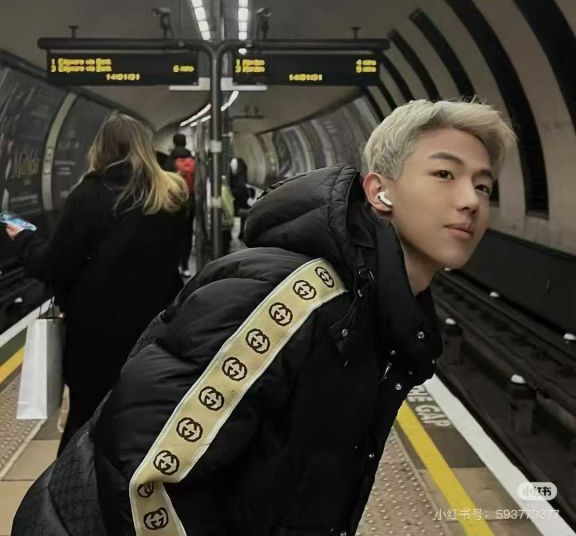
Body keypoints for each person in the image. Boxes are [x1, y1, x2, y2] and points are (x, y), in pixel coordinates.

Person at [13, 99, 516, 535]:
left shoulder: (373, 313)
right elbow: (144, 482)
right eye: (445, 174)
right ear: (380, 191)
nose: (470, 200)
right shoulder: (290, 300)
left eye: (484, 186)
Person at [6, 114, 189, 453]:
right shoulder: (172, 194)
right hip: (156, 330)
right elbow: (180, 253)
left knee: (86, 423)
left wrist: (24, 239)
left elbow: (54, 266)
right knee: (145, 417)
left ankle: (75, 483)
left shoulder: (88, 195)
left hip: (95, 337)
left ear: (99, 149)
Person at [170, 133, 196, 277]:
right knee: (187, 233)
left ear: (174, 143)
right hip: (190, 202)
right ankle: (185, 266)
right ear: (185, 143)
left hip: (173, 201)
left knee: (173, 233)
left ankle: (175, 265)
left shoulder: (170, 161)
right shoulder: (192, 161)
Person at [229, 155, 249, 239]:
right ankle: (242, 231)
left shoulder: (232, 180)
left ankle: (239, 232)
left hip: (235, 205)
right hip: (238, 206)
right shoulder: (241, 185)